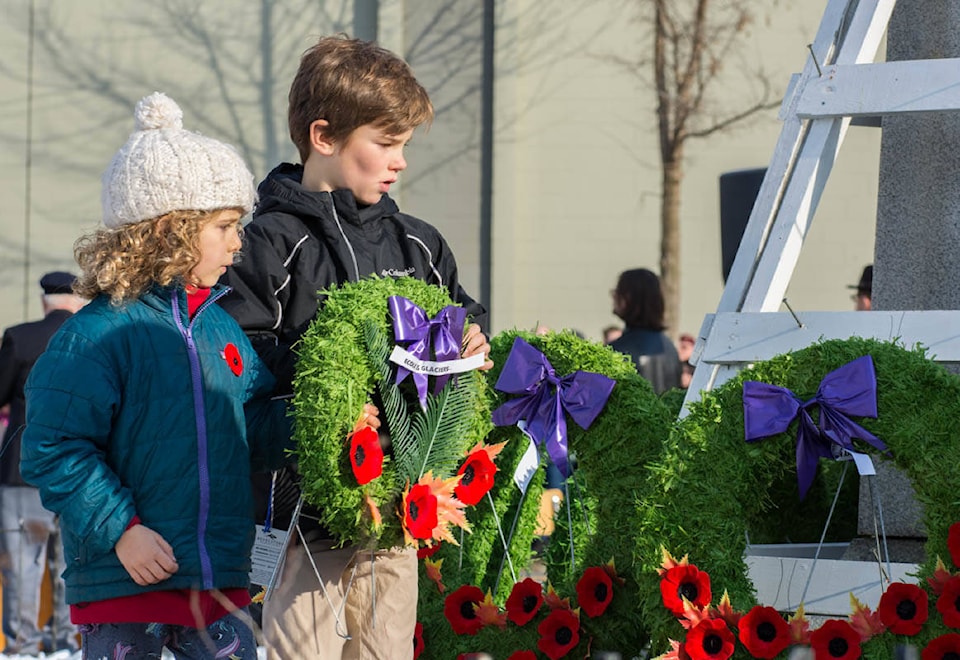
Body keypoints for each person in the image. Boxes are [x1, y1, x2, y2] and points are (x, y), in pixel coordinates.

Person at [219, 35, 492, 660]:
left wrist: (471, 334)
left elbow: (458, 315)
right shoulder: (268, 243)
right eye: (386, 143)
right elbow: (240, 362)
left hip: (399, 510)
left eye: (404, 146)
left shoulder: (418, 244)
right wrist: (334, 390)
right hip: (303, 513)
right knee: (306, 647)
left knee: (386, 648)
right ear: (324, 136)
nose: (399, 162)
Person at [19, 92, 293, 659]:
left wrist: (318, 418)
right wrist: (122, 529)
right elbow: (54, 446)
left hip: (218, 580)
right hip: (128, 581)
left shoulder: (222, 331)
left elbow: (255, 425)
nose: (239, 243)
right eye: (225, 226)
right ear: (172, 230)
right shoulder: (96, 335)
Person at [0, 271, 85, 654]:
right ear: (77, 301)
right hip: (79, 472)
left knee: (23, 565)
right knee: (71, 565)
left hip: (22, 470)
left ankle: (22, 646)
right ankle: (66, 641)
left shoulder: (20, 338)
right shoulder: (93, 337)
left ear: (44, 301)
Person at [608, 268, 682, 394]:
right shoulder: (670, 347)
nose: (613, 296)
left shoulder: (618, 350)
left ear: (629, 298)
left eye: (618, 291)